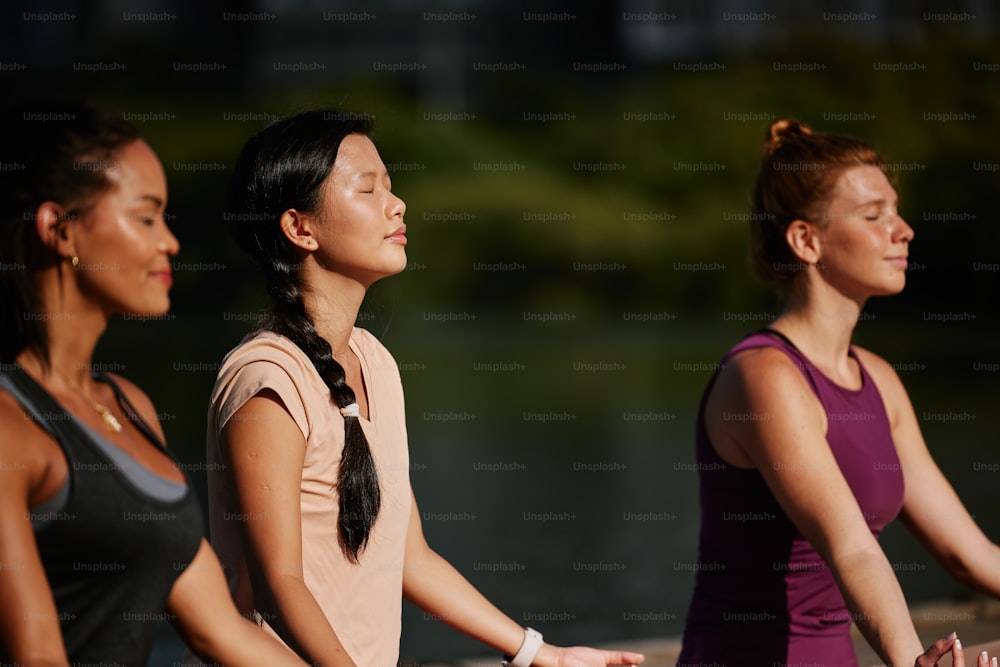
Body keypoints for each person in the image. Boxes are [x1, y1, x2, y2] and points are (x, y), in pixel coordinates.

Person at [195, 109, 645, 667]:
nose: (397, 203)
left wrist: (538, 653)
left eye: (391, 184)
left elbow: (412, 560)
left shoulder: (375, 363)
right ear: (300, 228)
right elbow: (278, 584)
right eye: (368, 188)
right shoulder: (268, 380)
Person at [676, 119, 1000, 667]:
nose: (904, 231)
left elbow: (970, 557)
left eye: (895, 211)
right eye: (874, 215)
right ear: (806, 240)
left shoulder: (878, 379)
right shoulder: (766, 377)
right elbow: (851, 549)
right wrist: (908, 664)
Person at [0, 100, 306, 666]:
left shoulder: (127, 403)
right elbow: (38, 657)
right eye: (145, 217)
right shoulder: (9, 426)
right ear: (59, 230)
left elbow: (218, 629)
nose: (170, 243)